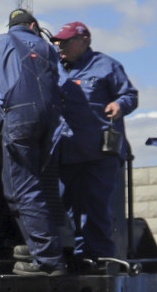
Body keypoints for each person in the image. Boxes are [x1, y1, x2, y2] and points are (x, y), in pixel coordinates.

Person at [0, 9, 67, 276]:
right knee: (35, 184)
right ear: (33, 26)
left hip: (21, 119)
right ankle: (38, 245)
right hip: (51, 121)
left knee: (21, 191)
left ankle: (48, 261)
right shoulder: (48, 49)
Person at [54, 21, 140, 260]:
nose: (60, 45)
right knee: (66, 207)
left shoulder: (106, 66)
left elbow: (130, 95)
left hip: (99, 153)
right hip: (67, 152)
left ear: (84, 41)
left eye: (66, 41)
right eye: (58, 41)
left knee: (96, 208)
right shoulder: (54, 66)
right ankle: (74, 257)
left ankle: (100, 259)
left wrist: (119, 105)